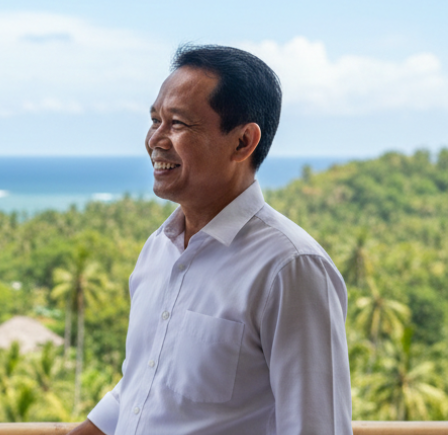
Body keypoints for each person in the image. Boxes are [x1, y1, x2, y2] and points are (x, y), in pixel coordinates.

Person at [68, 45, 352, 435]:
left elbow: (316, 425)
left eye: (178, 124)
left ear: (243, 142)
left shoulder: (291, 267)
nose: (156, 140)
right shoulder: (159, 248)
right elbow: (145, 385)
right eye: (155, 120)